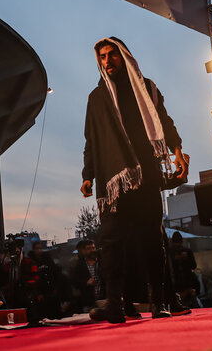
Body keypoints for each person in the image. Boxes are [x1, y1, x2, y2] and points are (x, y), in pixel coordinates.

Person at [80, 37, 188, 323]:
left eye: (112, 55)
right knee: (112, 242)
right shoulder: (96, 97)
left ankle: (159, 302)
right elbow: (91, 140)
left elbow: (164, 121)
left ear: (124, 56)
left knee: (153, 239)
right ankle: (115, 304)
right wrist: (87, 176)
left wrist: (176, 150)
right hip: (112, 180)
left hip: (147, 174)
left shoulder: (147, 88)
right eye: (102, 57)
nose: (107, 61)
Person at [69, 240, 105, 314]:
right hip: (89, 301)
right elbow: (74, 282)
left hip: (104, 299)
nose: (92, 250)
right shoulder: (80, 265)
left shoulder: (101, 262)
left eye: (93, 248)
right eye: (88, 249)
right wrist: (86, 283)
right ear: (83, 251)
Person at [169, 231, 199, 306]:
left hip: (178, 282)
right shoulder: (186, 251)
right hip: (186, 282)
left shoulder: (170, 252)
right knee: (192, 302)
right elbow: (194, 266)